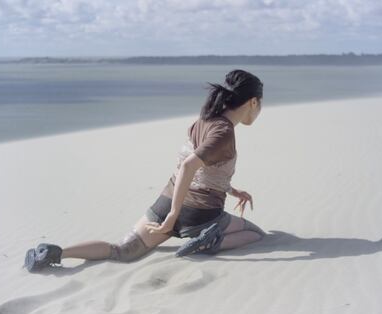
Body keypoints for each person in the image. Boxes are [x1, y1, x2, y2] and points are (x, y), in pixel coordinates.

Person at [24, 69, 266, 272]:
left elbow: (205, 171)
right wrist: (173, 216)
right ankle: (211, 242)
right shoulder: (225, 132)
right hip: (199, 215)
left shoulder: (203, 120)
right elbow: (189, 165)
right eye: (260, 104)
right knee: (256, 234)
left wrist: (233, 191)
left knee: (121, 250)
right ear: (253, 102)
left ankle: (54, 253)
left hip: (165, 201)